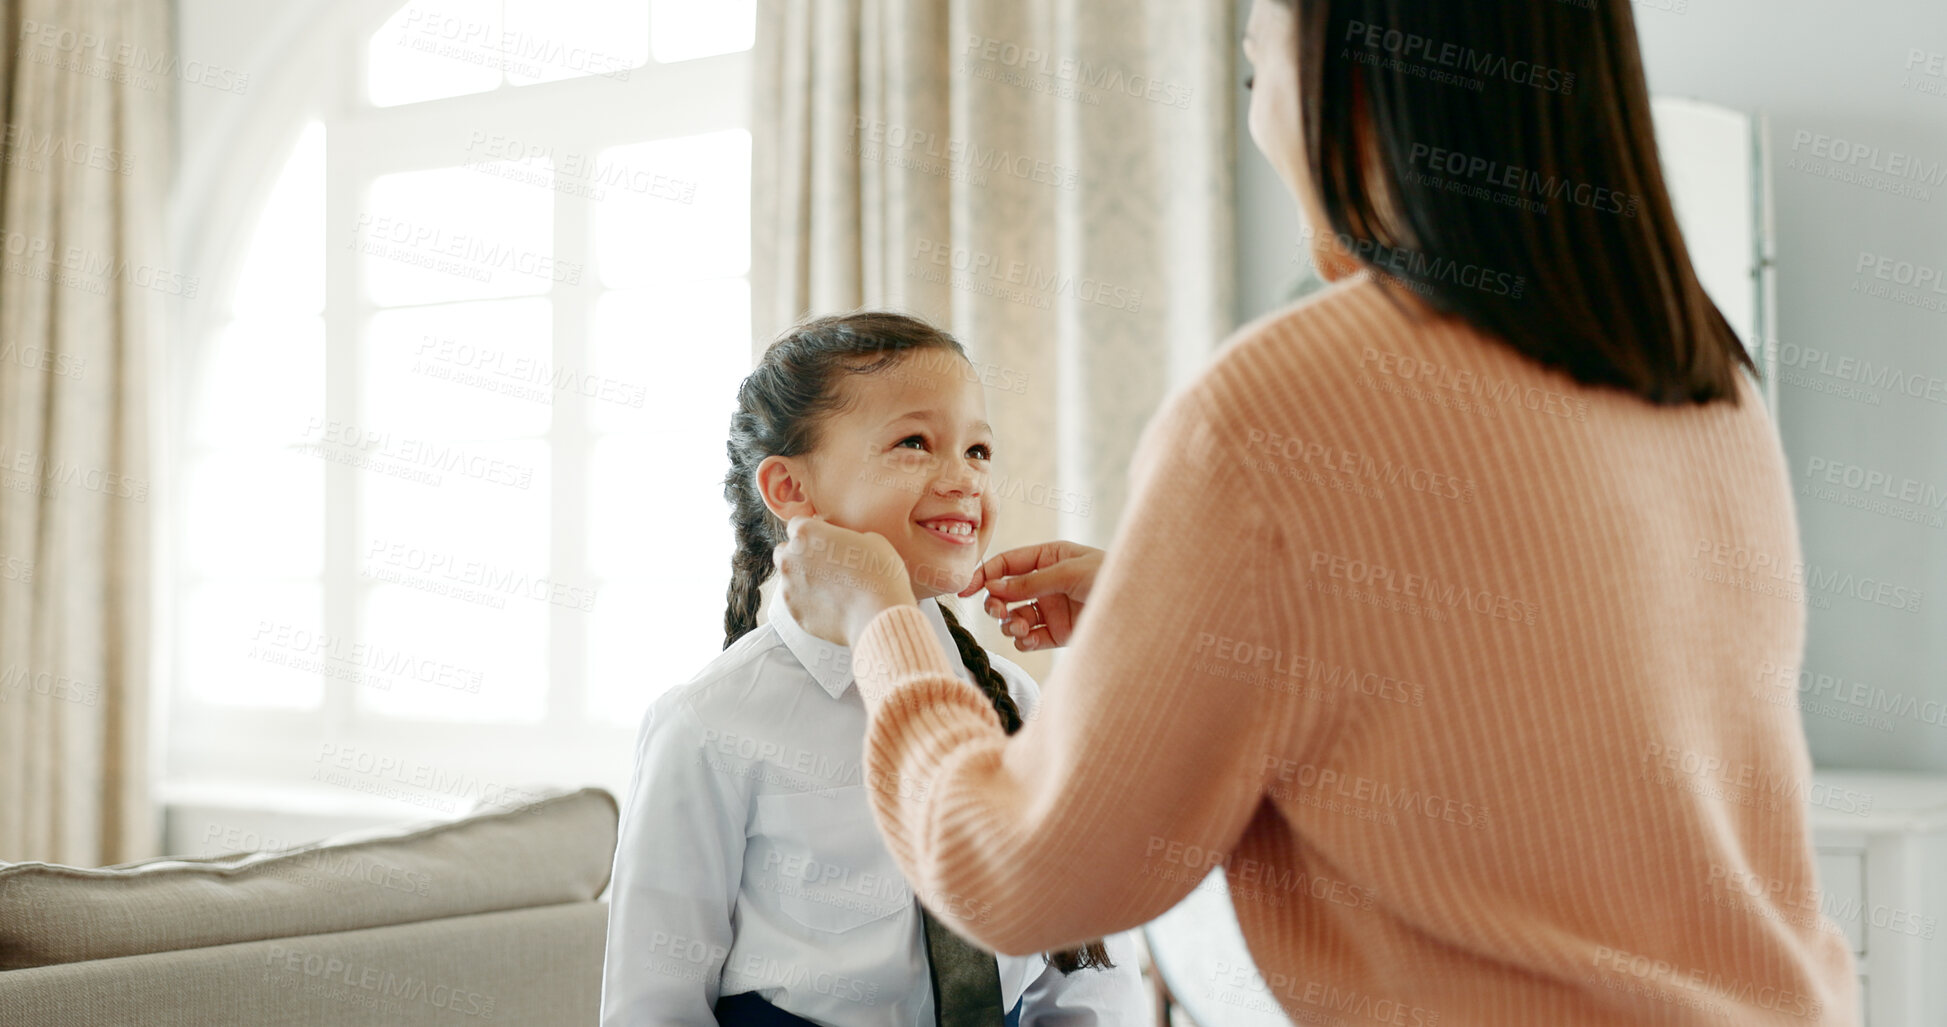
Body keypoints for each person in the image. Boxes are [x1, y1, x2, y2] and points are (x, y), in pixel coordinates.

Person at [771, 1, 1862, 1023]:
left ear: (1346, 81)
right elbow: (1518, 717)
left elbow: (1016, 875)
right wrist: (1183, 623)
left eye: (1257, 67)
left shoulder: (1284, 405)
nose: (1257, 118)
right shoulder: (1704, 377)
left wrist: (882, 628)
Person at [600, 311, 1150, 1025]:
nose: (961, 477)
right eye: (915, 442)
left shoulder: (1012, 698)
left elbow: (1084, 979)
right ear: (791, 489)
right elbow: (655, 1001)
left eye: (979, 450)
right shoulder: (709, 723)